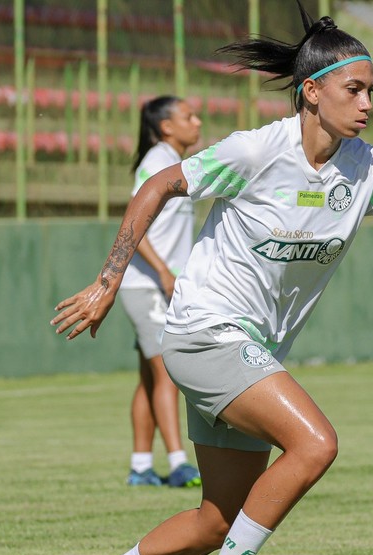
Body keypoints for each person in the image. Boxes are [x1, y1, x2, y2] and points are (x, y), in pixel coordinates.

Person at [51, 4, 373, 555]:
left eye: (370, 91)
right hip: (204, 332)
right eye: (354, 90)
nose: (366, 104)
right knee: (315, 444)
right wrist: (109, 279)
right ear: (311, 91)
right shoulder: (256, 149)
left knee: (218, 518)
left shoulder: (369, 167)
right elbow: (159, 183)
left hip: (246, 347)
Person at [119, 95, 203, 487]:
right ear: (167, 126)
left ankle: (140, 466)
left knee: (149, 379)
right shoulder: (157, 162)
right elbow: (132, 224)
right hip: (148, 287)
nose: (198, 121)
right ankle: (178, 462)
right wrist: (165, 273)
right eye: (189, 116)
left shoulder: (174, 162)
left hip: (158, 286)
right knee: (166, 372)